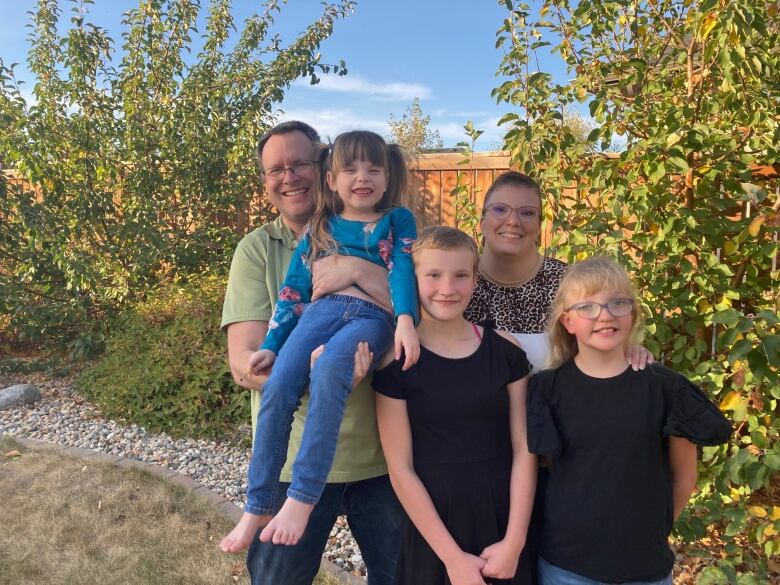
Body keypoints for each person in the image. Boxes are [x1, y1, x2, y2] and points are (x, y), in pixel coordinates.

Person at [220, 121, 404, 585]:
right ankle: (260, 505)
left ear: (323, 165)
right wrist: (316, 373)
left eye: (299, 162)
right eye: (275, 169)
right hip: (293, 460)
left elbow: (414, 307)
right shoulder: (258, 249)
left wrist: (353, 270)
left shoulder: (388, 225)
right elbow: (245, 362)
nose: (289, 176)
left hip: (381, 459)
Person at [526, 256, 732, 585]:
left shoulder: (665, 388)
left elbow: (685, 474)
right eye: (587, 307)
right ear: (567, 321)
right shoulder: (547, 389)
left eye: (617, 303)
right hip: (567, 566)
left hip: (644, 567)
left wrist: (650, 529)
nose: (604, 315)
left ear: (632, 312)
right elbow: (544, 472)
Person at [373, 226, 537, 585]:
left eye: (460, 275)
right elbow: (400, 469)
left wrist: (515, 541)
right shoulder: (397, 363)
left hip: (504, 520)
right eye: (433, 275)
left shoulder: (505, 351)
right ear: (412, 280)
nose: (447, 289)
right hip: (433, 530)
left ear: (475, 279)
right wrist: (452, 558)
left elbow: (525, 448)